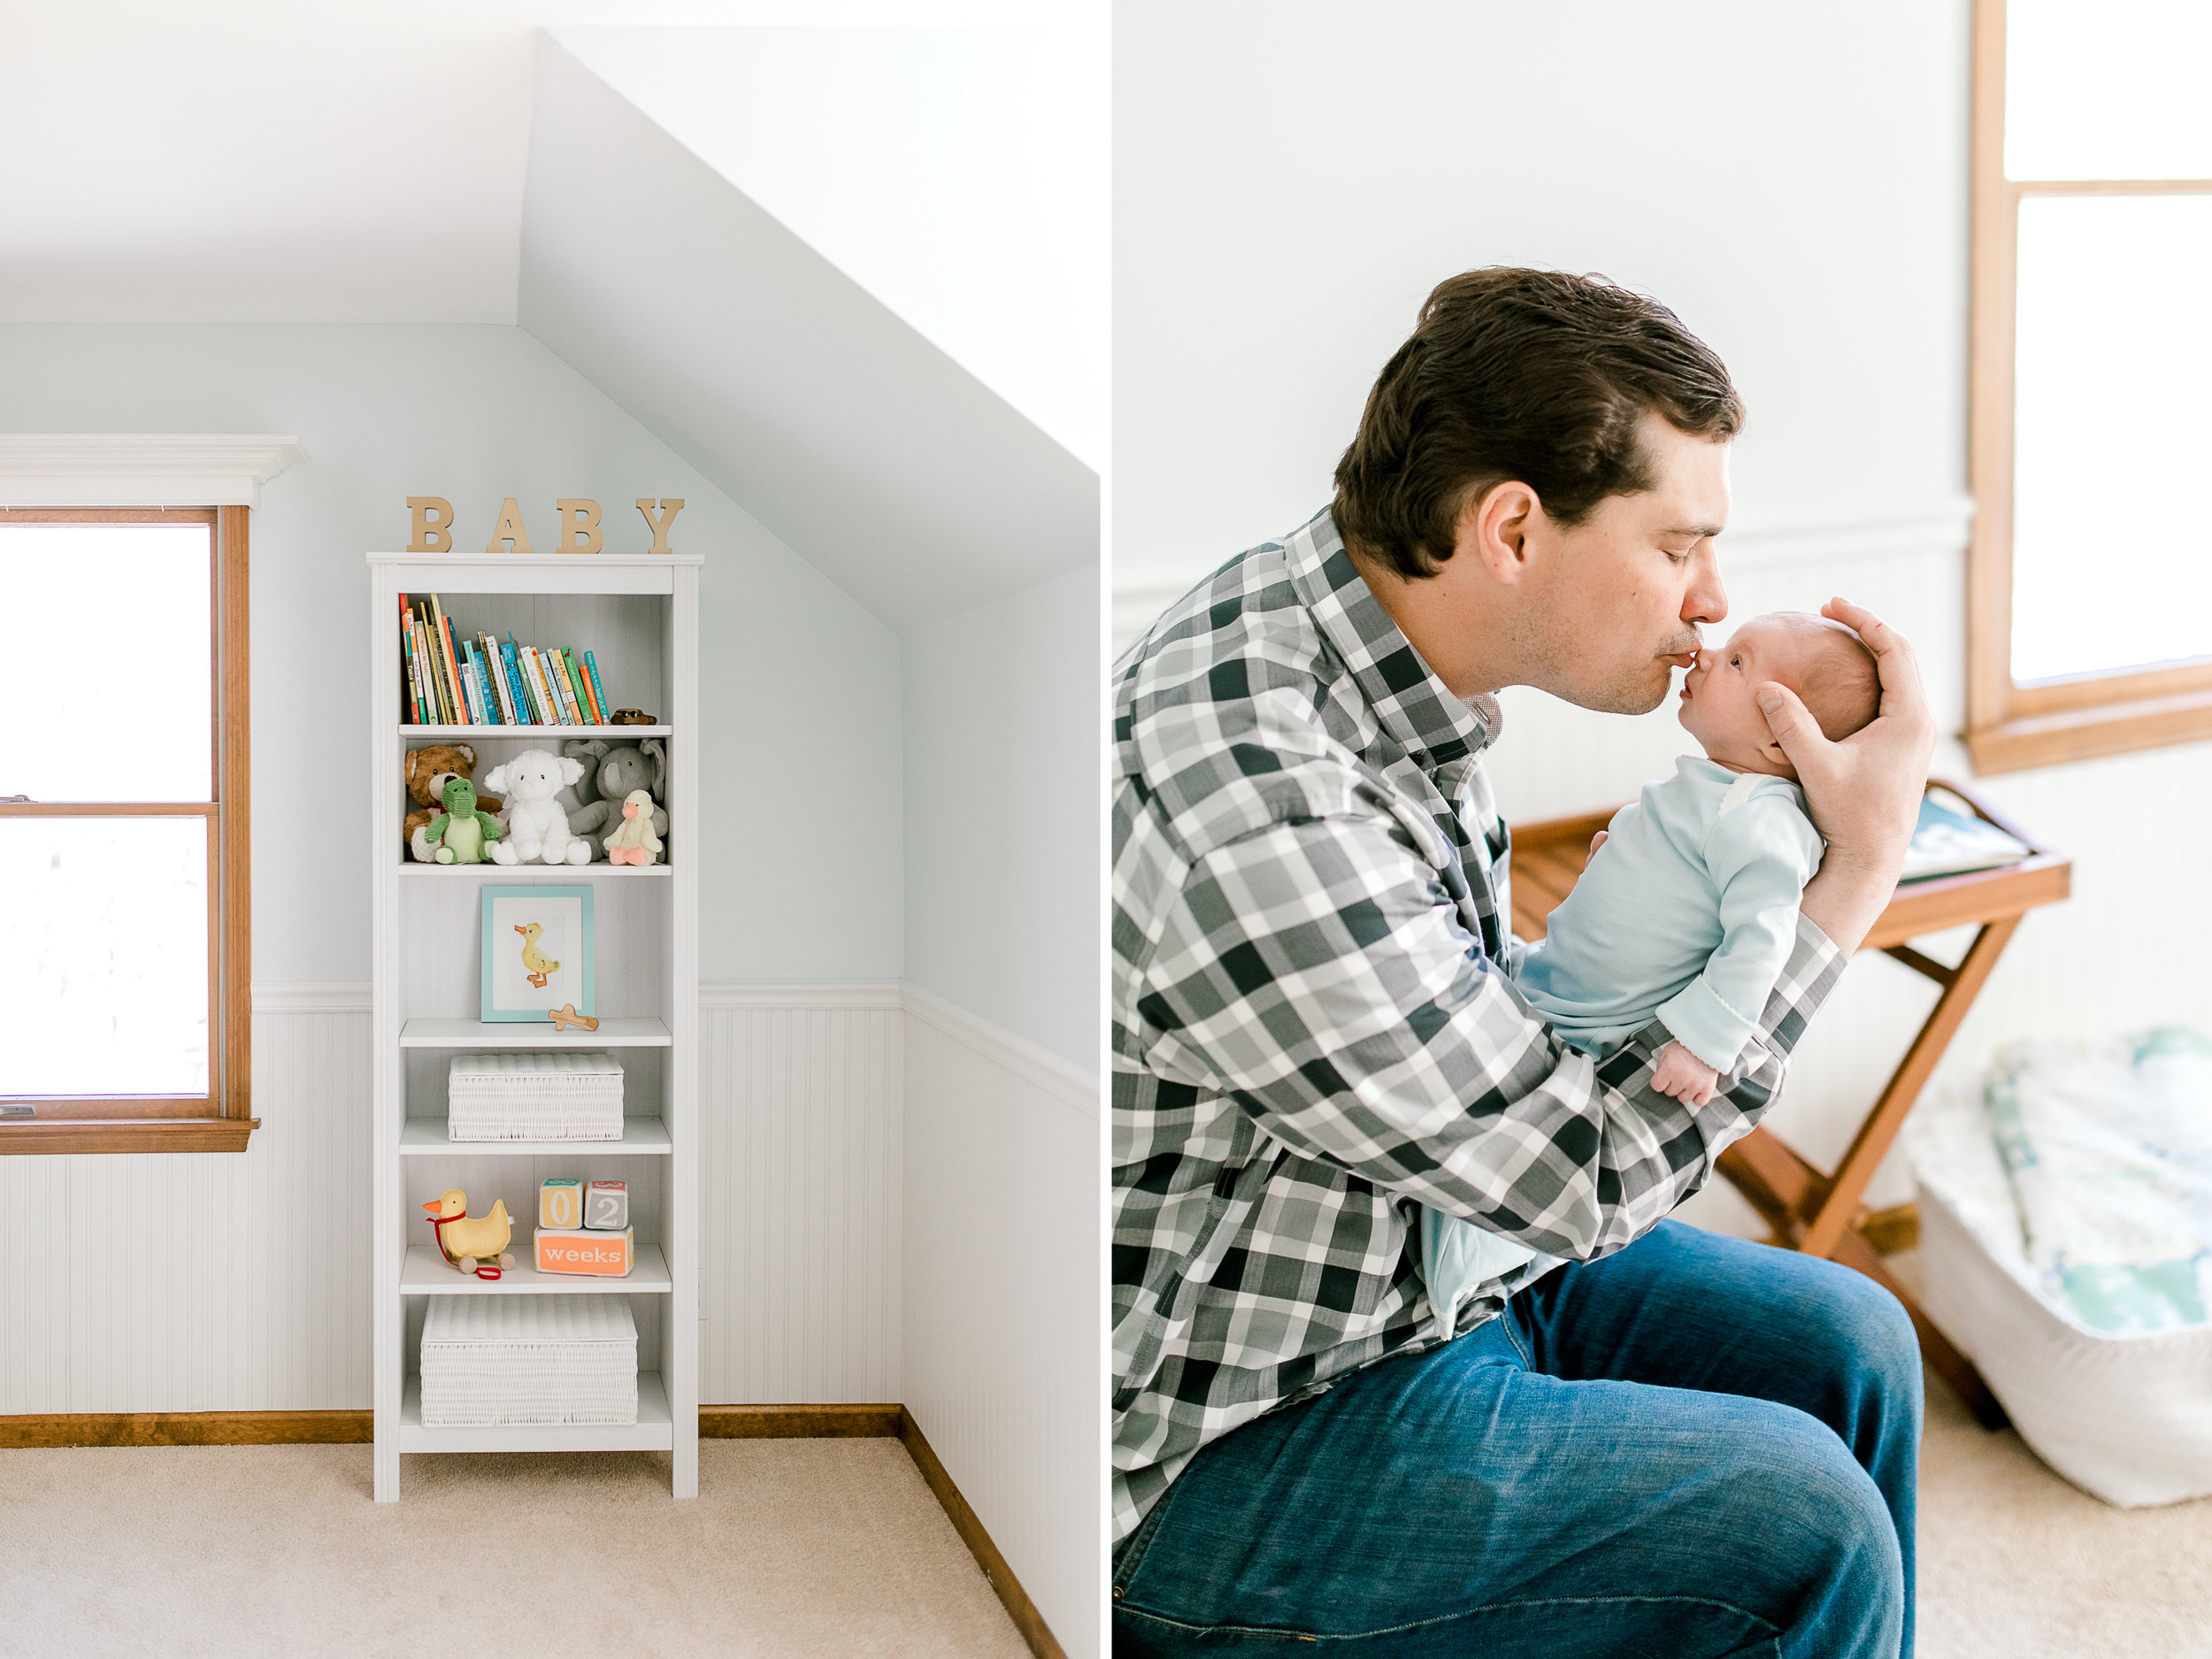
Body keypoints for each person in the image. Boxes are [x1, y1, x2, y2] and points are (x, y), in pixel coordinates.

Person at [1110, 268, 1936, 1658]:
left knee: (1856, 1343)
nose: (1713, 601)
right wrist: (1849, 879)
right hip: (1238, 1424)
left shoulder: (1362, 632)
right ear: (1510, 527)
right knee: (1808, 1530)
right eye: (1680, 546)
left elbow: (1469, 1019)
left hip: (1409, 1252)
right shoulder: (1269, 809)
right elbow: (1580, 1179)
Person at [1424, 611, 1883, 1340]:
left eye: (1737, 662)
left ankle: (1472, 1266)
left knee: (1498, 1154)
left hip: (1597, 1023)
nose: (1706, 653)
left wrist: (1706, 1041)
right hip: (1553, 981)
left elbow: (1760, 938)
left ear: (1779, 733)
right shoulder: (1715, 791)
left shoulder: (1760, 816)